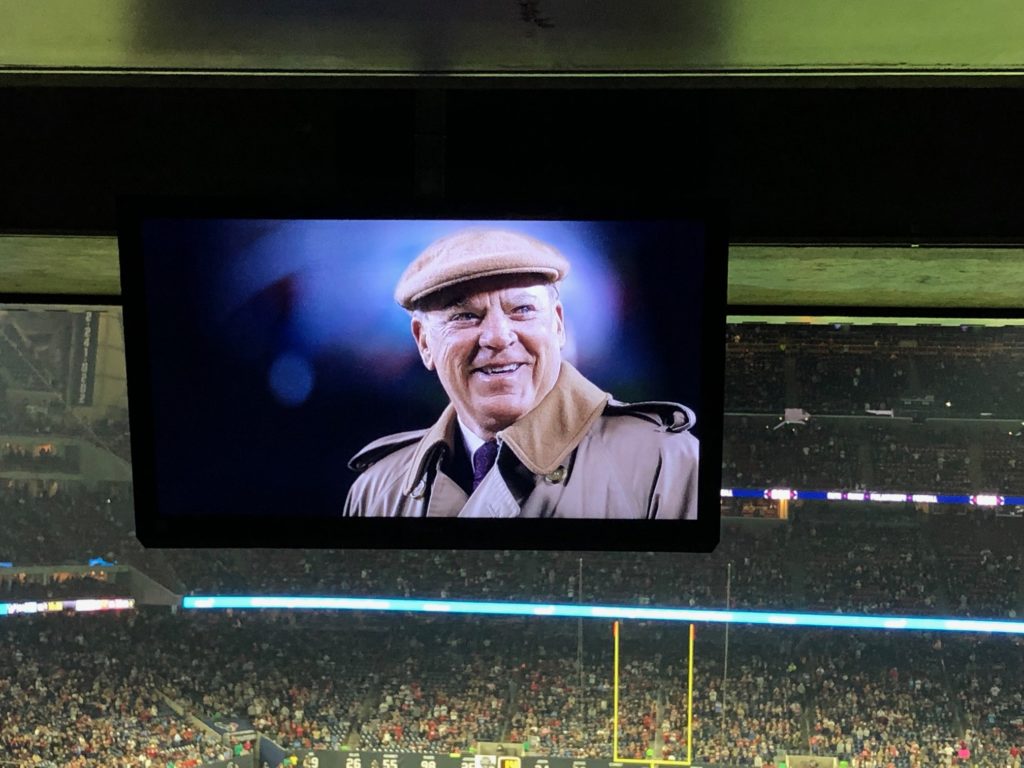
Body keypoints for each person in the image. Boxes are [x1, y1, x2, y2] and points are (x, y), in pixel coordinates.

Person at [343, 228, 698, 518]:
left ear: (557, 324)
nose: (498, 337)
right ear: (424, 343)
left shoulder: (665, 465)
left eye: (522, 309)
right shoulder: (379, 488)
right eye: (465, 316)